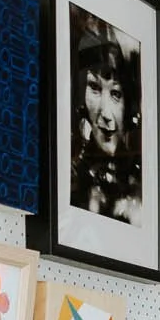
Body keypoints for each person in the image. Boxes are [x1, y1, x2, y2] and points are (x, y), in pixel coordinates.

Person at [68, 13, 142, 222]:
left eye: (116, 94)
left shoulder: (140, 185)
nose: (106, 114)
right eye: (94, 88)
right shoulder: (72, 176)